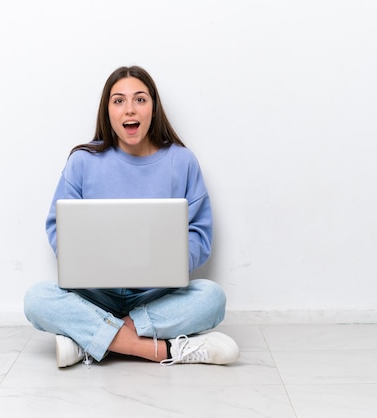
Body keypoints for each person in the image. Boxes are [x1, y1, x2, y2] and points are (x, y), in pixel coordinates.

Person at [23, 65, 239, 368]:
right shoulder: (83, 161)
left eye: (139, 99)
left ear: (153, 107)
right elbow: (58, 227)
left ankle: (91, 341)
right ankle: (164, 351)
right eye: (118, 100)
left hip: (156, 296)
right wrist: (90, 263)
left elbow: (200, 236)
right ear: (107, 111)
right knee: (37, 299)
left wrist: (168, 263)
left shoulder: (183, 161)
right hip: (96, 294)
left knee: (212, 298)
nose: (129, 110)